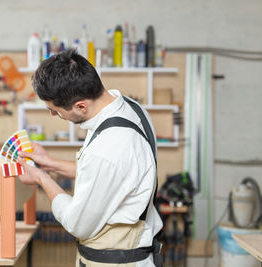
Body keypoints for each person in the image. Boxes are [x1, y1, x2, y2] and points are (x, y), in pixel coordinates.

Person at [17, 49, 163, 267]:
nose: (53, 115)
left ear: (80, 106)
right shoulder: (131, 108)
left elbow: (78, 224)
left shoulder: (107, 147)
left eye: (55, 110)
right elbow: (112, 175)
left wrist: (41, 178)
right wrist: (50, 162)